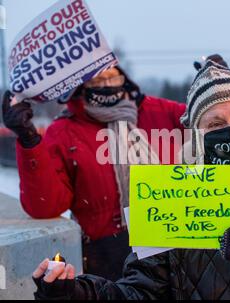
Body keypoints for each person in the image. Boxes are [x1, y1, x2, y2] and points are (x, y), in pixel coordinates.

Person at [31, 59, 230, 300]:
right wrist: (75, 294)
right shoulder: (172, 197)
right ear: (196, 136)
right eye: (215, 125)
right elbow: (140, 294)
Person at [2, 65, 186, 281]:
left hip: (176, 245)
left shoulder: (159, 113)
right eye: (97, 81)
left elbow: (211, 122)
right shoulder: (65, 131)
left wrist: (218, 87)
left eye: (112, 77)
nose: (107, 85)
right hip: (108, 261)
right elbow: (46, 204)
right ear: (80, 87)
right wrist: (29, 139)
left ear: (124, 79)